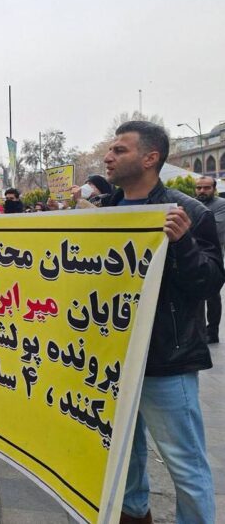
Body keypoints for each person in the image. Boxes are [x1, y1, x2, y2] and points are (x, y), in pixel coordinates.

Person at [103, 121, 224, 523]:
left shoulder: (189, 213)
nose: (108, 157)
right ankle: (134, 514)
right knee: (124, 451)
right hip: (115, 357)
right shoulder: (107, 211)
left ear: (150, 158)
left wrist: (183, 243)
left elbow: (209, 283)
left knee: (185, 464)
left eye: (119, 150)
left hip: (166, 359)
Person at [195, 175, 225, 344]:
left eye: (206, 188)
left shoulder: (221, 205)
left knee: (212, 295)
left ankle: (212, 332)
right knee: (195, 295)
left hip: (212, 256)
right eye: (199, 187)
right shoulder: (190, 203)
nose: (202, 191)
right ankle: (198, 331)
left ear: (214, 189)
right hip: (192, 255)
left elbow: (216, 229)